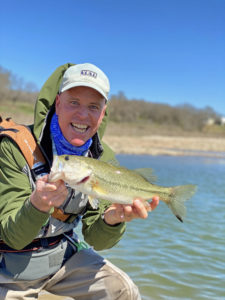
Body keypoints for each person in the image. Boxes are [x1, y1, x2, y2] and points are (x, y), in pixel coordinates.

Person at [0, 62, 159, 300]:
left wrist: (113, 219)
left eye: (93, 106)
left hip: (64, 257)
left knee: (123, 291)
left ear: (103, 113)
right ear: (58, 102)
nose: (83, 115)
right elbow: (14, 237)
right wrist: (38, 205)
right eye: (74, 102)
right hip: (10, 267)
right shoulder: (14, 146)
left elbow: (97, 239)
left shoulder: (104, 158)